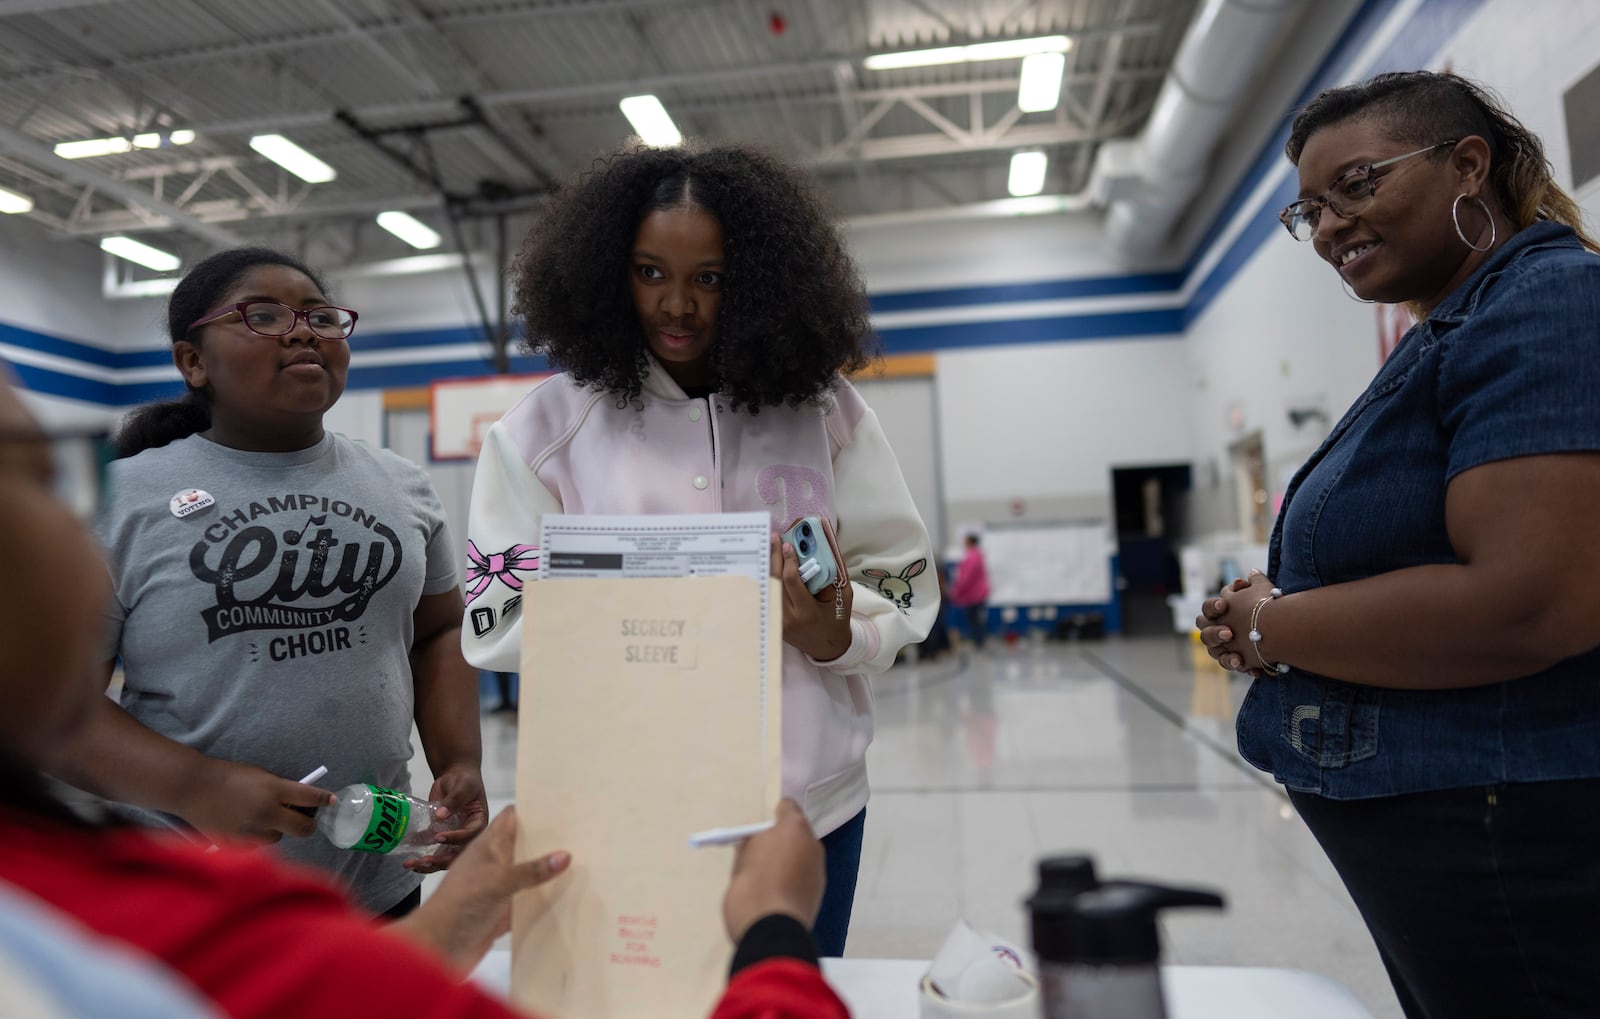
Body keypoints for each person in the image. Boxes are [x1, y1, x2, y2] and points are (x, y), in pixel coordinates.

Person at [0, 368, 848, 1019]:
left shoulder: (93, 893)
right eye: (48, 482)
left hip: (372, 869)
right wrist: (773, 932)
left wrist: (449, 919)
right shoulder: (142, 933)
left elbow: (440, 629)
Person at [462, 143, 938, 955]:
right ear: (611, 272)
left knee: (786, 1000)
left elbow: (899, 583)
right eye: (650, 272)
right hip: (624, 810)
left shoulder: (823, 411)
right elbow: (494, 616)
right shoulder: (543, 431)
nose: (676, 304)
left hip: (810, 807)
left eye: (708, 278)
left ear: (752, 280)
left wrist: (834, 633)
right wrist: (663, 588)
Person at [1196, 71, 1600, 1017]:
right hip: (1459, 830)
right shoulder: (1451, 330)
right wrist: (1280, 601)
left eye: (1359, 184)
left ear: (1468, 165)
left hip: (1509, 833)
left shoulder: (1546, 304)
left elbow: (1527, 601)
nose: (1330, 224)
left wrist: (1276, 624)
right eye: (1309, 212)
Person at [48, 247, 487, 918]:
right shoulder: (121, 500)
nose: (304, 329)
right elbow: (51, 708)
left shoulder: (402, 484)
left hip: (372, 876)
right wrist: (200, 784)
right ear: (192, 361)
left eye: (321, 315)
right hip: (191, 887)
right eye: (263, 314)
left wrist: (458, 758)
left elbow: (438, 629)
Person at [949, 534, 991, 649]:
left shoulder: (971, 557)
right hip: (977, 594)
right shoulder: (977, 556)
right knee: (976, 619)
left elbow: (966, 577)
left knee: (974, 620)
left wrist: (956, 591)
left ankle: (979, 644)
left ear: (970, 542)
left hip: (974, 595)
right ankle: (980, 642)